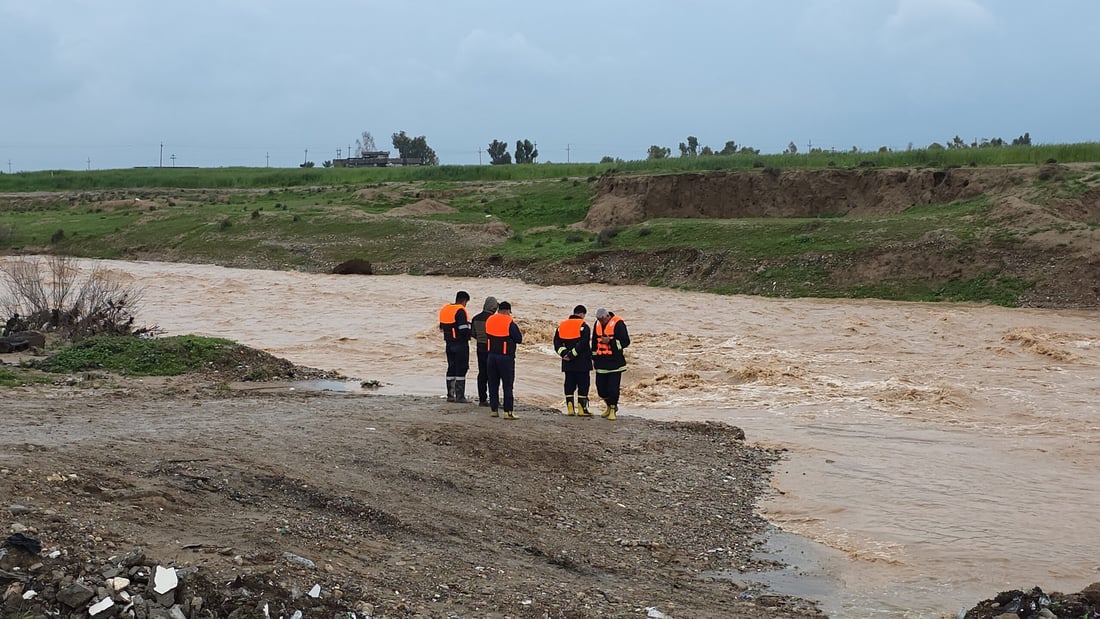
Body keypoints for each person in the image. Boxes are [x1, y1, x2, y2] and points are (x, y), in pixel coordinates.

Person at [485, 300, 523, 419]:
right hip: (505, 357)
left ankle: (494, 410)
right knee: (507, 385)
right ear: (507, 311)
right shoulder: (509, 322)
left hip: (491, 356)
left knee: (492, 384)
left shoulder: (489, 319)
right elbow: (519, 339)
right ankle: (508, 412)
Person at [553, 304, 593, 417]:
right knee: (583, 384)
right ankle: (582, 409)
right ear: (582, 314)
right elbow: (584, 343)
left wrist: (564, 353)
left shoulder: (562, 325)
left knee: (569, 384)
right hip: (582, 362)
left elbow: (557, 343)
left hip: (567, 362)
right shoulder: (584, 326)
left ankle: (570, 408)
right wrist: (573, 354)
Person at [592, 307, 630, 421]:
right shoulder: (597, 324)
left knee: (613, 389)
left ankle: (613, 408)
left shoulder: (619, 323)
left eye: (602, 320)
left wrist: (611, 342)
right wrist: (593, 357)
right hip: (601, 363)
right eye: (598, 320)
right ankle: (608, 405)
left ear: (607, 316)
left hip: (615, 363)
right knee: (601, 389)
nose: (600, 322)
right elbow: (594, 341)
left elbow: (626, 342)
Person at [438, 290, 472, 403]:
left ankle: (450, 395)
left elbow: (441, 327)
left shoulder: (445, 309)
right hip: (460, 344)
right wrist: (471, 334)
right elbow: (463, 329)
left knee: (451, 368)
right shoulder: (460, 310)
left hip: (448, 343)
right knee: (461, 368)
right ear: (464, 301)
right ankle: (460, 396)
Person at [470, 296, 499, 407]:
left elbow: (472, 334)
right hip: (492, 348)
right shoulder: (493, 319)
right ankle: (493, 400)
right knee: (493, 375)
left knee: (482, 373)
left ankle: (482, 399)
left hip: (480, 348)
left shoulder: (475, 318)